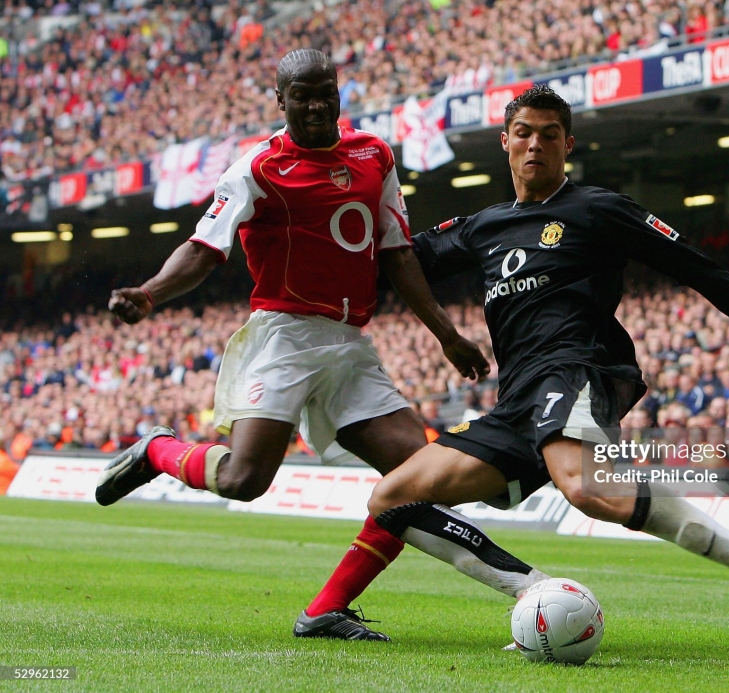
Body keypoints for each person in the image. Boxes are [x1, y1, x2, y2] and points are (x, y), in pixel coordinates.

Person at [309, 85, 729, 636]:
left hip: (580, 370)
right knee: (391, 496)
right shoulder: (482, 227)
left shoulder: (597, 209)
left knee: (586, 486)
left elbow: (694, 266)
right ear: (506, 143)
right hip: (517, 401)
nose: (535, 144)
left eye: (550, 135)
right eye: (524, 133)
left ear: (568, 146)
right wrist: (323, 212)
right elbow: (393, 262)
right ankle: (536, 592)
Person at [96, 49, 498, 641]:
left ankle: (325, 611)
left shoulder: (374, 156)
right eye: (302, 95)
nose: (315, 105)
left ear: (339, 92)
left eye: (325, 92)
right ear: (279, 101)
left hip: (349, 344)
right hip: (284, 336)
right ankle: (157, 451)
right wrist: (151, 293)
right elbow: (205, 248)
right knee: (244, 480)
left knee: (419, 478)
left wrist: (445, 334)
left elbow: (398, 253)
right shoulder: (257, 168)